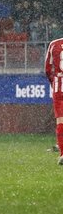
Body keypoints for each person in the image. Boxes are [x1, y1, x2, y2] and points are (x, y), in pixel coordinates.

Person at [45, 37, 63, 165]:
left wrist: (54, 82)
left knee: (60, 121)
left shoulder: (54, 44)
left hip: (59, 86)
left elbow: (47, 69)